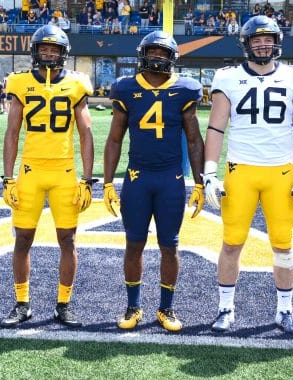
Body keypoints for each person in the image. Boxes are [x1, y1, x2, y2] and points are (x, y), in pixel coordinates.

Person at [204, 16, 293, 334]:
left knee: (284, 246)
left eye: (268, 39)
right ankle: (225, 308)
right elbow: (215, 128)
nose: (263, 44)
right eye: (257, 39)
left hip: (281, 172)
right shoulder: (227, 77)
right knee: (231, 244)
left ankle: (284, 310)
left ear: (277, 42)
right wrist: (210, 172)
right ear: (246, 43)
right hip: (240, 171)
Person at [103, 31, 205, 332]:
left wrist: (199, 183)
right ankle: (133, 306)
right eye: (153, 52)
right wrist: (108, 182)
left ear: (172, 58)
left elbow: (195, 140)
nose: (157, 58)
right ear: (142, 54)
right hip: (137, 177)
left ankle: (166, 308)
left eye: (163, 53)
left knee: (169, 246)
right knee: (133, 243)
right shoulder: (125, 88)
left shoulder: (185, 89)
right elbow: (114, 139)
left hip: (170, 178)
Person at [0, 25, 95, 329]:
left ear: (64, 53)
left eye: (55, 49)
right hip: (30, 170)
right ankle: (22, 303)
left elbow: (86, 133)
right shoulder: (19, 82)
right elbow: (12, 132)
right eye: (45, 49)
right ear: (35, 51)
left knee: (67, 240)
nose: (49, 54)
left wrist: (88, 178)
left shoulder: (77, 84)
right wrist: (7, 177)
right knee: (23, 239)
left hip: (63, 170)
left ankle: (64, 305)